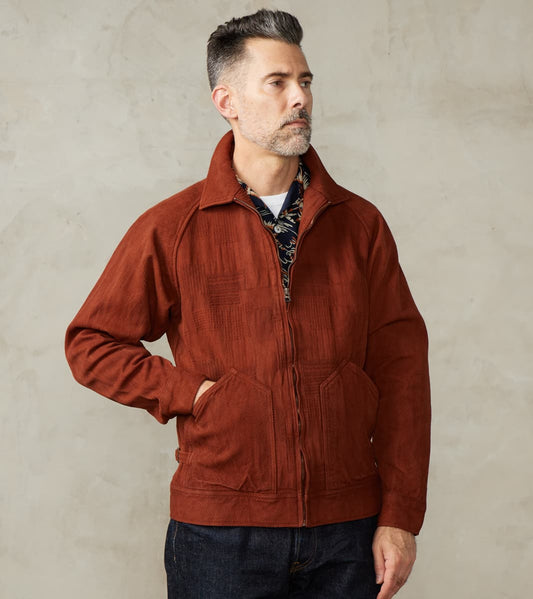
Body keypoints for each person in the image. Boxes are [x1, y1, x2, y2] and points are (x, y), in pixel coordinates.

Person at [65, 9, 431, 599]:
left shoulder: (360, 225)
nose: (299, 97)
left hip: (348, 530)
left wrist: (400, 515)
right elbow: (91, 343)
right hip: (220, 533)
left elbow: (403, 371)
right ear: (226, 101)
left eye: (305, 81)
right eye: (277, 82)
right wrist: (192, 394)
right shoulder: (173, 226)